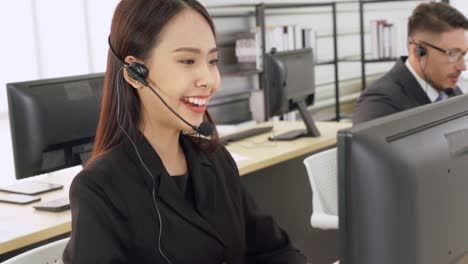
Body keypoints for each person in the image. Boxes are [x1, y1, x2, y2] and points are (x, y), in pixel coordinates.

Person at [63, 0, 307, 263]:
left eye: (212, 60)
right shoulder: (100, 188)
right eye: (188, 60)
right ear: (135, 74)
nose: (210, 80)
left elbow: (276, 252)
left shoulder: (216, 160)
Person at [353, 2, 468, 124]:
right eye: (452, 53)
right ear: (418, 51)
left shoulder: (451, 91)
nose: (463, 67)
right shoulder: (379, 105)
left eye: (463, 54)